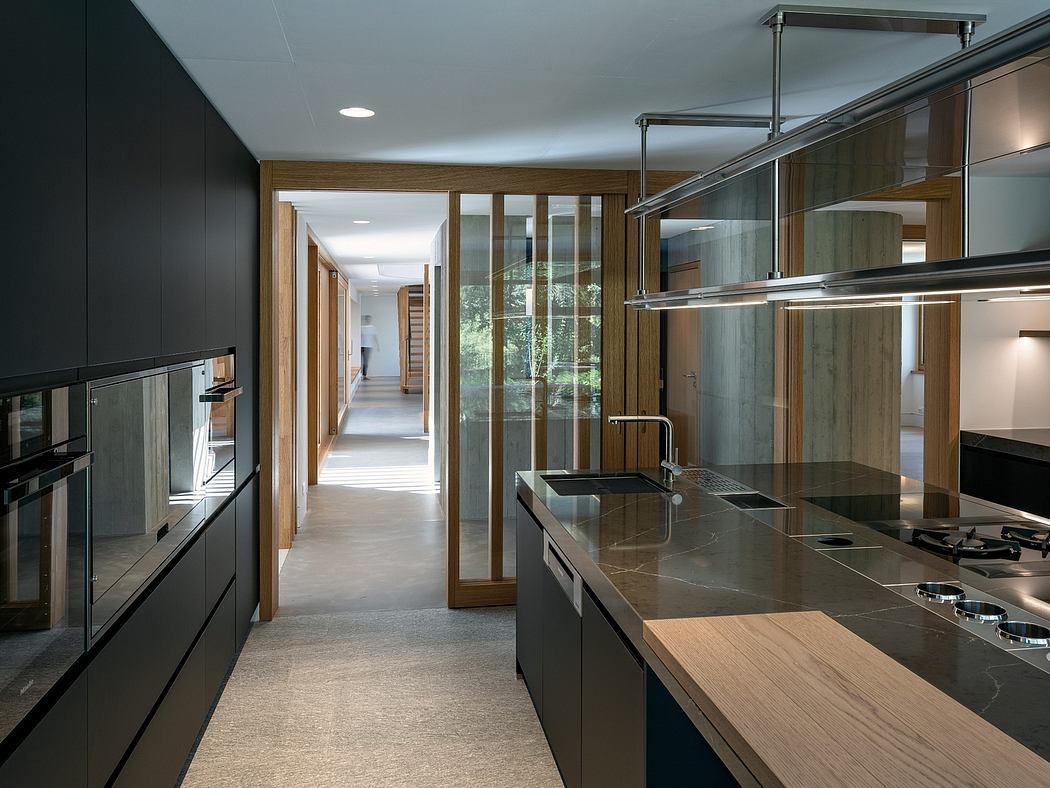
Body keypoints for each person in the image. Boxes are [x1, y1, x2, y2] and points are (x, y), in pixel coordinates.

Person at [360, 315, 379, 379]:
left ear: (370, 320)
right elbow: (358, 336)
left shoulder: (372, 328)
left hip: (368, 347)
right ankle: (360, 375)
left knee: (366, 362)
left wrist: (378, 345)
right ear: (365, 320)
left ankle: (364, 375)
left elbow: (375, 337)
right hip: (361, 346)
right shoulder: (361, 327)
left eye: (369, 319)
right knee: (360, 361)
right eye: (367, 319)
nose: (368, 320)